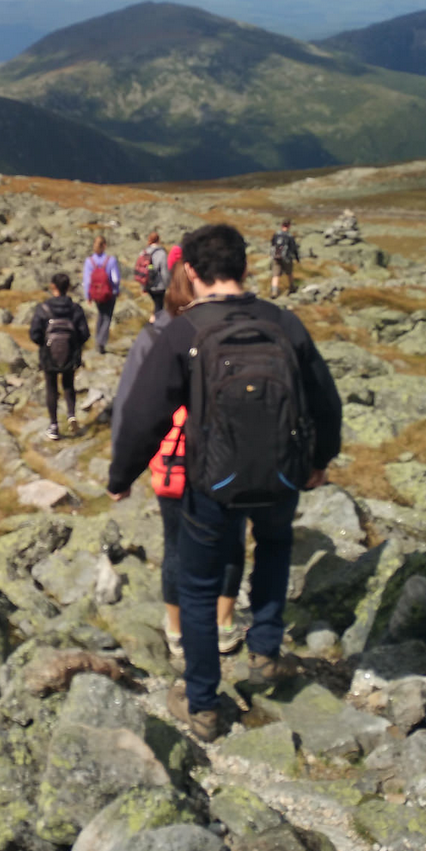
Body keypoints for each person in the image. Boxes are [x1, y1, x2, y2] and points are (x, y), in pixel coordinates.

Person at [107, 223, 341, 743]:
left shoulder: (183, 332)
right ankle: (263, 651)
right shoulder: (285, 323)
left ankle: (204, 704)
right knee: (275, 546)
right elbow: (326, 399)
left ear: (190, 271)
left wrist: (121, 476)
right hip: (282, 473)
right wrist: (320, 458)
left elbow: (146, 413)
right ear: (246, 266)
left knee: (196, 584)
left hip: (210, 479)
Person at [112, 256, 245, 669]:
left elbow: (131, 406)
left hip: (173, 463)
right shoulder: (238, 326)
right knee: (232, 540)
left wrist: (122, 470)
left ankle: (177, 631)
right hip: (231, 459)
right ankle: (223, 625)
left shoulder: (156, 335)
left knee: (176, 546)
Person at [29, 272, 90, 441]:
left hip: (49, 355)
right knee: (68, 384)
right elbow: (85, 333)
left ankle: (54, 426)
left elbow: (34, 334)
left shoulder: (43, 309)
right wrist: (74, 344)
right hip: (70, 353)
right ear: (68, 287)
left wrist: (44, 344)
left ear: (52, 287)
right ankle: (71, 414)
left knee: (51, 388)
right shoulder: (75, 309)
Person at [82, 235, 120, 354]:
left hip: (96, 294)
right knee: (107, 317)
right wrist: (116, 290)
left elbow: (87, 281)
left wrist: (88, 296)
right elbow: (115, 279)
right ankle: (101, 343)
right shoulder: (111, 260)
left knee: (100, 315)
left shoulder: (89, 261)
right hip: (109, 293)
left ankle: (97, 340)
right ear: (105, 245)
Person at [135, 231, 171, 318]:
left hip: (147, 284)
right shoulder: (161, 253)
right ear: (158, 240)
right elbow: (164, 272)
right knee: (159, 307)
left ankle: (154, 322)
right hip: (159, 286)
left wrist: (143, 287)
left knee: (156, 306)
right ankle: (156, 326)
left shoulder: (143, 252)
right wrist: (168, 285)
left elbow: (140, 270)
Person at [270, 218, 301, 299]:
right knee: (289, 273)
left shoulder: (276, 234)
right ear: (289, 226)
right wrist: (297, 258)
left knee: (275, 275)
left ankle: (274, 291)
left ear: (282, 225)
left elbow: (272, 244)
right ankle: (292, 287)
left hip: (275, 256)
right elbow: (294, 248)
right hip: (286, 257)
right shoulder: (289, 236)